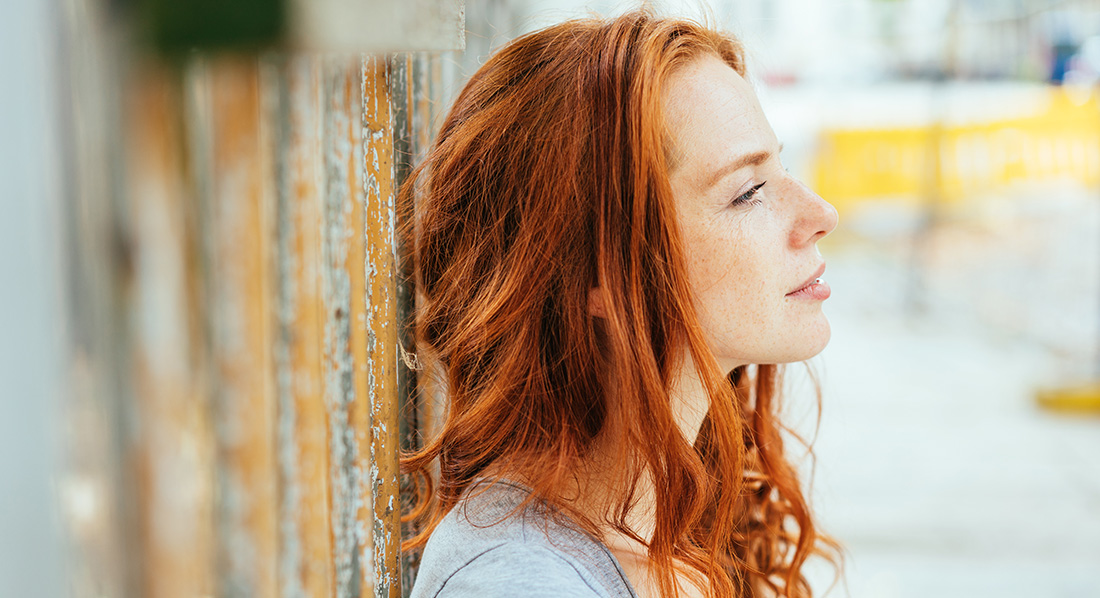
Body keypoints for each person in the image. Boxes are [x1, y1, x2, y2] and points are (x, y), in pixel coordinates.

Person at [400, 9, 841, 598]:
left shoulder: (672, 522)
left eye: (779, 167)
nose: (820, 215)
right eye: (748, 192)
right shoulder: (521, 583)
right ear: (597, 271)